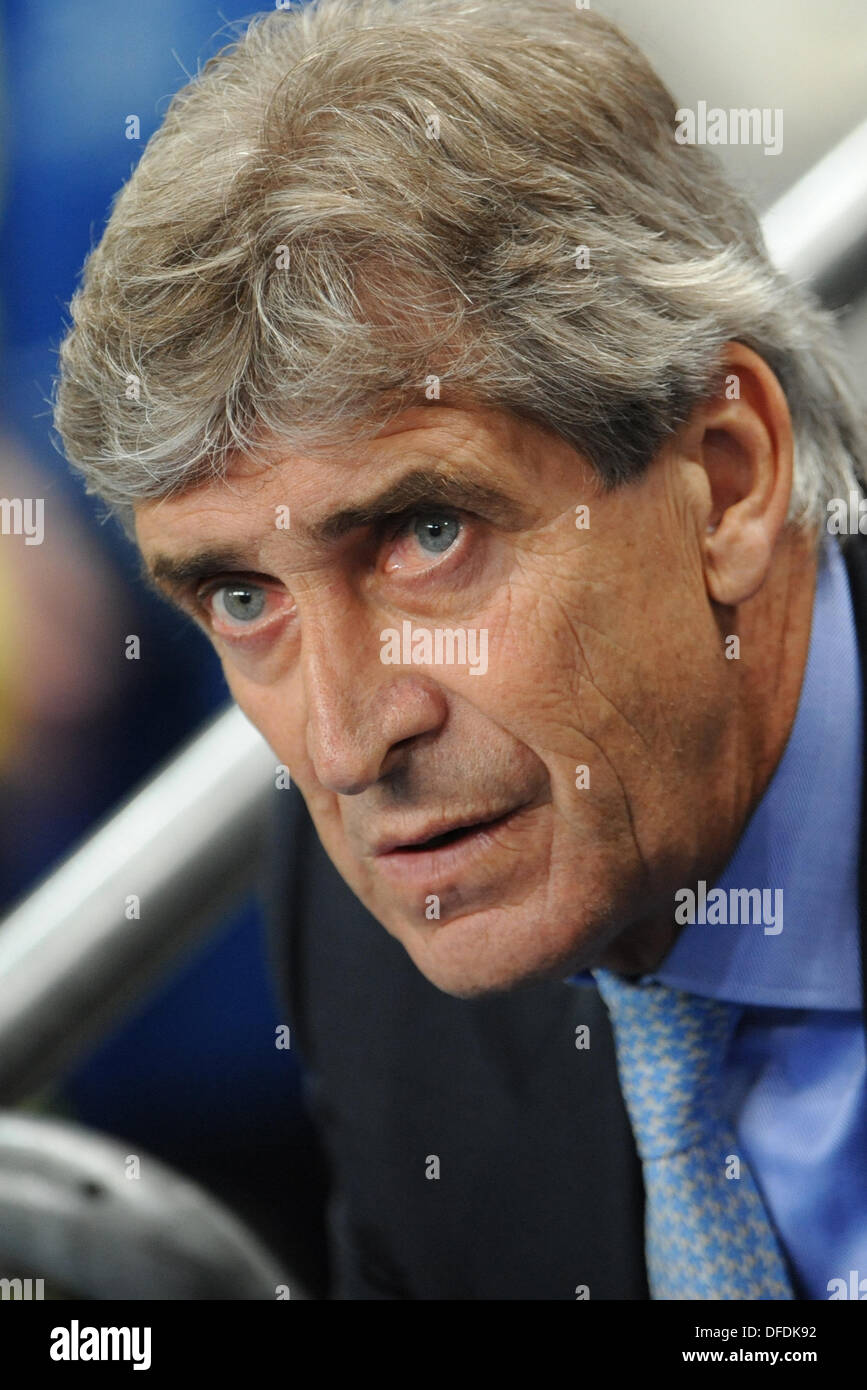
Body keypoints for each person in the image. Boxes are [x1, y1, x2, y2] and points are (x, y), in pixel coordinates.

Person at [53, 0, 867, 1299]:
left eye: (426, 532)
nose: (345, 740)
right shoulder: (373, 942)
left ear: (727, 478)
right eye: (242, 596)